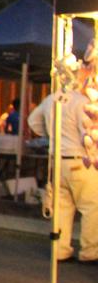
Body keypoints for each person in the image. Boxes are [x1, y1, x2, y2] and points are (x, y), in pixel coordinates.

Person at [29, 89, 96, 262]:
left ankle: (60, 250)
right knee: (91, 207)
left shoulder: (50, 99)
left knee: (62, 208)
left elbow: (33, 122)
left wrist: (52, 134)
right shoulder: (81, 102)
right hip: (79, 159)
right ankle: (90, 251)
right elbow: (88, 131)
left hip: (57, 161)